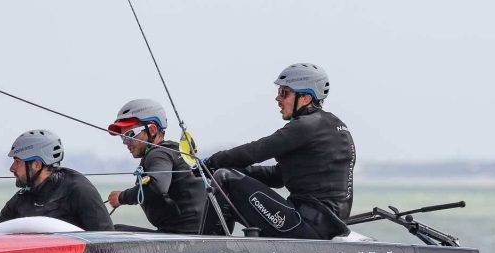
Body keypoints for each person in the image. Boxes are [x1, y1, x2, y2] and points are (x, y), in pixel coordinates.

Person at [203, 63, 355, 239]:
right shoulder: (330, 125)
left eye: (284, 92)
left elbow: (255, 151)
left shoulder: (307, 126)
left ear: (305, 98)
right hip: (323, 227)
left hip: (307, 225)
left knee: (224, 179)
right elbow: (278, 177)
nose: (278, 98)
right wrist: (233, 169)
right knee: (226, 177)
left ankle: (205, 250)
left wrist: (211, 162)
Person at [106, 99, 206, 234]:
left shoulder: (158, 154)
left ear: (152, 130)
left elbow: (157, 186)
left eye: (130, 135)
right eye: (122, 137)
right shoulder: (174, 150)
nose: (126, 142)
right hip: (195, 234)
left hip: (182, 237)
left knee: (111, 231)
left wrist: (121, 197)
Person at [0, 129, 114, 231]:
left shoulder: (79, 190)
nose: (12, 168)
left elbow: (106, 241)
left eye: (17, 162)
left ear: (36, 164)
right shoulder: (24, 195)